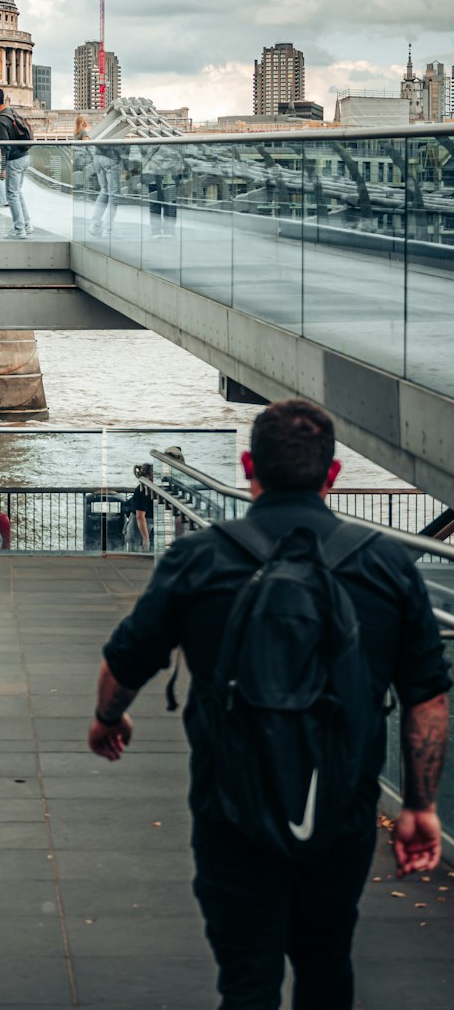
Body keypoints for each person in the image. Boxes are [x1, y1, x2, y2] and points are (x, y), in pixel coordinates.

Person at [88, 400, 450, 1010]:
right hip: (342, 812)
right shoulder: (386, 564)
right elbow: (428, 699)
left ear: (247, 464)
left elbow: (126, 661)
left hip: (231, 808)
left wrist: (108, 718)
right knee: (327, 964)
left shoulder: (199, 558)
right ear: (331, 476)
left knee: (247, 979)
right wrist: (418, 806)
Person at [0, 87, 32, 238]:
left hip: (14, 159)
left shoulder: (1, 119)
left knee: (12, 195)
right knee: (17, 193)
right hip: (25, 156)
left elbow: (5, 146)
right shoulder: (12, 112)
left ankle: (19, 230)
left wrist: (3, 167)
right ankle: (27, 224)